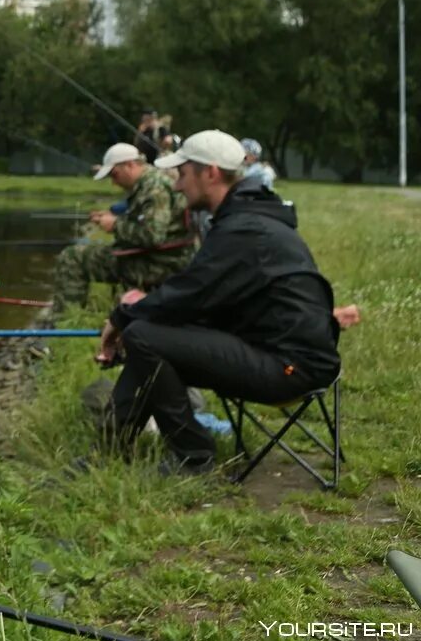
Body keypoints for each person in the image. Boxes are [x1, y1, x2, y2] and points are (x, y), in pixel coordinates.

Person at [94, 130, 340, 473]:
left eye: (182, 174)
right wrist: (133, 317)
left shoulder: (244, 228)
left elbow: (189, 293)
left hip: (289, 367)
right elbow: (199, 299)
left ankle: (194, 458)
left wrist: (122, 317)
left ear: (209, 173)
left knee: (142, 336)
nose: (178, 186)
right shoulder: (246, 218)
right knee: (146, 333)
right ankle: (108, 450)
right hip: (271, 347)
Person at [52, 142, 195, 309]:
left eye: (115, 175)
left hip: (162, 264)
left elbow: (152, 236)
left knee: (72, 257)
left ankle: (65, 319)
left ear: (130, 165)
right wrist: (114, 218)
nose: (114, 182)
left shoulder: (154, 189)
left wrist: (115, 225)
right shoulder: (149, 183)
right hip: (160, 257)